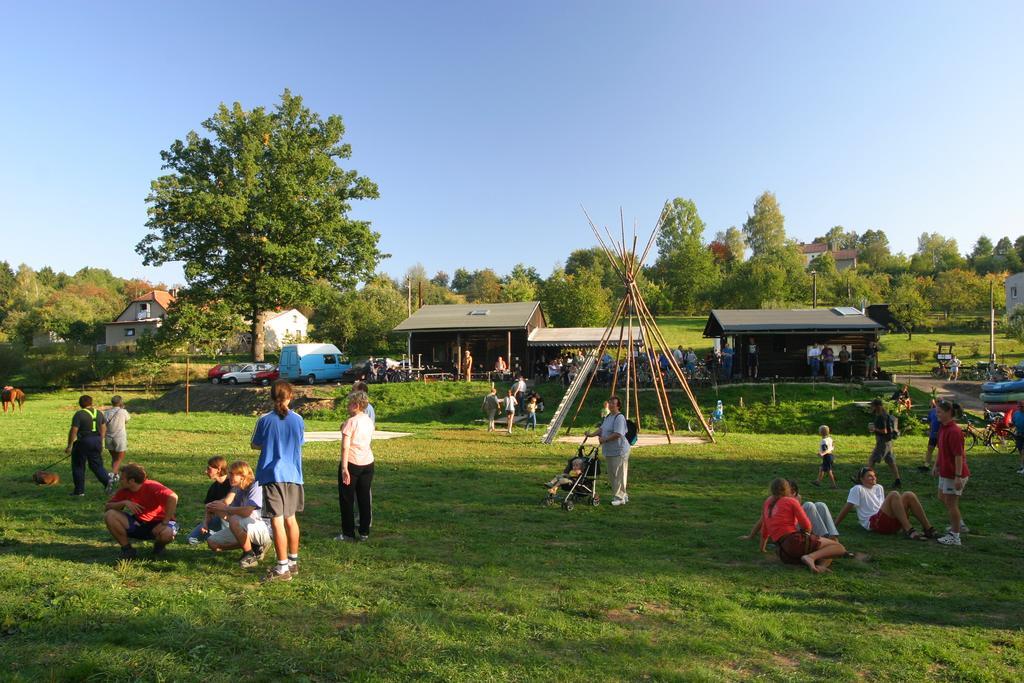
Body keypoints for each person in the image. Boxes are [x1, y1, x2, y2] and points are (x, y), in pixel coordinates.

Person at [251, 380, 305, 583]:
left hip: (273, 475)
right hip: (293, 475)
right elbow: (299, 442)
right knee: (291, 518)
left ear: (272, 397)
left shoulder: (265, 420)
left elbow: (255, 444)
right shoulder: (298, 420)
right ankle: (293, 561)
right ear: (290, 396)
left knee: (276, 520)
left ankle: (282, 568)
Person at [756, 479, 846, 573]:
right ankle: (811, 558)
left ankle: (818, 565)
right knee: (838, 547)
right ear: (787, 489)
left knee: (825, 549)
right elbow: (806, 525)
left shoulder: (767, 502)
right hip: (794, 541)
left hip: (782, 552)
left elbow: (764, 530)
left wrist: (762, 548)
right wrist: (808, 536)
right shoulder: (791, 501)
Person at [835, 467, 937, 540]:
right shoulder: (857, 489)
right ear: (862, 479)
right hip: (874, 523)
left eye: (874, 475)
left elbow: (883, 506)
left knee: (909, 495)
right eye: (869, 476)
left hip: (885, 520)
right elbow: (847, 507)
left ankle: (928, 528)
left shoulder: (878, 487)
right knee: (894, 494)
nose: (873, 478)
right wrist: (834, 524)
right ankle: (909, 530)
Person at [103, 462, 179, 560]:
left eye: (122, 478)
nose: (120, 481)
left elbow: (173, 497)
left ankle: (159, 547)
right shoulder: (124, 490)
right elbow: (107, 508)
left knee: (167, 534)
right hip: (139, 523)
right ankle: (127, 549)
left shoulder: (152, 486)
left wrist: (164, 522)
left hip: (159, 523)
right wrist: (124, 503)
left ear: (131, 481)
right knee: (110, 515)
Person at [206, 461, 273, 568]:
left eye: (233, 474)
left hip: (265, 529)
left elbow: (247, 512)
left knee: (235, 520)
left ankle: (249, 555)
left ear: (243, 476)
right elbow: (231, 511)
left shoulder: (256, 485)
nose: (229, 476)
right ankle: (254, 546)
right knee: (212, 542)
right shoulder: (238, 488)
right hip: (246, 525)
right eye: (229, 473)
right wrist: (215, 508)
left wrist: (225, 508)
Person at [335, 390, 375, 542]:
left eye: (350, 403)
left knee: (347, 499)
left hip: (352, 462)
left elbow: (345, 447)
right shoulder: (368, 420)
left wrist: (344, 468)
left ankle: (348, 533)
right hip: (368, 463)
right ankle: (364, 532)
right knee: (364, 497)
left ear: (356, 405)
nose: (347, 406)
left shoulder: (350, 422)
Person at [741, 479, 841, 541]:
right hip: (789, 530)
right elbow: (763, 519)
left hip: (798, 525)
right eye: (790, 490)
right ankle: (824, 537)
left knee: (820, 504)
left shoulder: (796, 498)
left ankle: (833, 535)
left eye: (794, 491)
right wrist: (751, 536)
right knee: (809, 505)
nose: (792, 493)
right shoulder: (776, 500)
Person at [934, 400, 970, 546]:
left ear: (948, 413)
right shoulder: (943, 428)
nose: (937, 414)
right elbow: (941, 449)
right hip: (945, 471)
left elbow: (958, 456)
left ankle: (955, 536)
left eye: (939, 412)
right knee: (941, 496)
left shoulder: (955, 431)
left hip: (954, 474)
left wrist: (958, 476)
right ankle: (958, 524)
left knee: (951, 503)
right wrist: (936, 465)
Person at [66, 394, 114, 497]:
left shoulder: (79, 414)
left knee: (78, 466)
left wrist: (70, 445)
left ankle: (79, 491)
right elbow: (104, 427)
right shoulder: (99, 413)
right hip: (96, 440)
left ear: (80, 404)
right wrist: (100, 439)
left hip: (83, 441)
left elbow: (74, 430)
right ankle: (108, 483)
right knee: (96, 465)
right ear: (91, 403)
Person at [585, 396, 630, 506]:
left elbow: (618, 434)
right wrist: (591, 435)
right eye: (609, 403)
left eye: (613, 403)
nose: (610, 405)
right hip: (609, 450)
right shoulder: (608, 416)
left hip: (619, 450)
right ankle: (623, 495)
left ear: (618, 406)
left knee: (619, 474)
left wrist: (604, 439)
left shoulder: (619, 417)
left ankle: (619, 497)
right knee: (613, 474)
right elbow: (602, 429)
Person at [186, 456, 232, 545]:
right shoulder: (214, 487)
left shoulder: (232, 482)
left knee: (214, 539)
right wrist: (205, 524)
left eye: (209, 468)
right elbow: (208, 508)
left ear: (218, 469)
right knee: (191, 539)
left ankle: (228, 536)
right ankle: (215, 535)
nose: (205, 471)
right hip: (218, 518)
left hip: (232, 518)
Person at [867, 398, 902, 489]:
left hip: (882, 442)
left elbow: (884, 430)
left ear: (877, 406)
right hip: (888, 442)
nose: (872, 407)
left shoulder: (881, 416)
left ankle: (866, 479)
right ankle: (898, 480)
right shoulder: (884, 414)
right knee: (891, 462)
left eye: (873, 406)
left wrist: (874, 429)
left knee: (872, 460)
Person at [102, 395, 131, 483]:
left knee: (114, 458)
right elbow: (127, 420)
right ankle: (112, 474)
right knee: (119, 458)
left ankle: (116, 475)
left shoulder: (107, 412)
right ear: (120, 402)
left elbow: (104, 423)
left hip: (108, 437)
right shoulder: (123, 411)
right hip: (120, 437)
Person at [918, 399, 941, 474]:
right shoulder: (932, 411)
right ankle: (926, 465)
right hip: (933, 434)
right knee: (930, 448)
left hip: (941, 434)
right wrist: (930, 429)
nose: (938, 404)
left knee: (941, 450)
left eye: (940, 402)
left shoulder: (943, 412)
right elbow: (930, 421)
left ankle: (939, 467)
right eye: (938, 402)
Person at [1014, 399, 1024, 475]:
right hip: (1019, 435)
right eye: (1020, 406)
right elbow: (1014, 423)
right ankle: (1022, 466)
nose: (1021, 408)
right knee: (1021, 451)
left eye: (1022, 406)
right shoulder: (1016, 413)